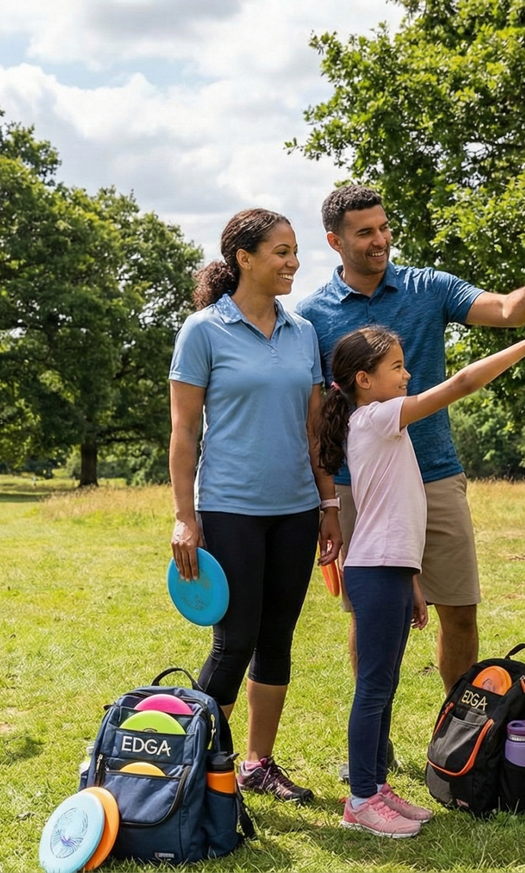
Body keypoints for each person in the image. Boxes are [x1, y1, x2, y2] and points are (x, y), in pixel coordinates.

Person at [295, 185, 525, 780]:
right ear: (335, 241)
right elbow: (317, 415)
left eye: (384, 227)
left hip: (436, 477)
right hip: (360, 490)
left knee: (460, 611)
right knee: (372, 618)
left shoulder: (429, 285)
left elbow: (503, 310)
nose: (380, 241)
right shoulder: (314, 315)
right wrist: (326, 499)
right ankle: (374, 746)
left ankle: (463, 738)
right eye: (365, 232)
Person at [317, 321, 525, 837]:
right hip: (374, 572)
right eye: (396, 366)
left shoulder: (377, 421)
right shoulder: (376, 417)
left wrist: (412, 580)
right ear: (364, 380)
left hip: (389, 570)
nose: (407, 374)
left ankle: (376, 787)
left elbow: (389, 511)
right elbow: (458, 385)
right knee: (372, 688)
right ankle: (361, 799)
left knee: (384, 684)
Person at [169, 208, 343, 804]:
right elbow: (184, 431)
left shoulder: (303, 334)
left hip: (296, 508)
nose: (293, 262)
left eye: (295, 251)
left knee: (277, 637)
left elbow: (316, 427)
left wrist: (328, 504)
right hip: (229, 508)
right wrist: (185, 516)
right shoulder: (203, 330)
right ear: (244, 258)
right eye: (281, 251)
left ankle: (255, 764)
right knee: (233, 639)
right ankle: (193, 768)